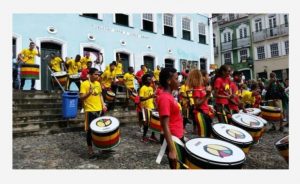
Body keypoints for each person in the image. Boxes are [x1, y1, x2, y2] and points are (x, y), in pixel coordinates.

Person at [157, 67, 185, 169]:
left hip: (177, 136)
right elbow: (165, 125)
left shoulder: (170, 96)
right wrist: (172, 149)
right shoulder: (164, 98)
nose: (179, 81)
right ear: (169, 81)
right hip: (172, 140)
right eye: (176, 78)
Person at [80, 68, 107, 159]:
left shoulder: (98, 83)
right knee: (89, 131)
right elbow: (81, 98)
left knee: (101, 130)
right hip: (90, 111)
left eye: (98, 74)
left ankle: (102, 147)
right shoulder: (84, 84)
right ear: (90, 75)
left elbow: (100, 95)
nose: (98, 76)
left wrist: (103, 105)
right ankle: (90, 150)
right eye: (96, 74)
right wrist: (89, 93)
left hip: (99, 110)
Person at [186, 69, 213, 137]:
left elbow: (204, 101)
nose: (208, 77)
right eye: (207, 76)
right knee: (203, 137)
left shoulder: (203, 87)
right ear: (203, 77)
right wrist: (207, 95)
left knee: (208, 135)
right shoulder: (197, 88)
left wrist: (209, 107)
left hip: (205, 113)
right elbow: (197, 103)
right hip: (200, 114)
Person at [139, 73, 158, 143]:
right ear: (145, 81)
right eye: (149, 79)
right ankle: (143, 137)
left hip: (151, 107)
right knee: (146, 123)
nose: (150, 81)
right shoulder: (143, 88)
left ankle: (152, 136)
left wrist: (155, 105)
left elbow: (152, 98)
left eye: (151, 79)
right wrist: (150, 97)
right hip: (145, 108)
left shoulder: (151, 88)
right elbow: (141, 99)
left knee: (153, 123)